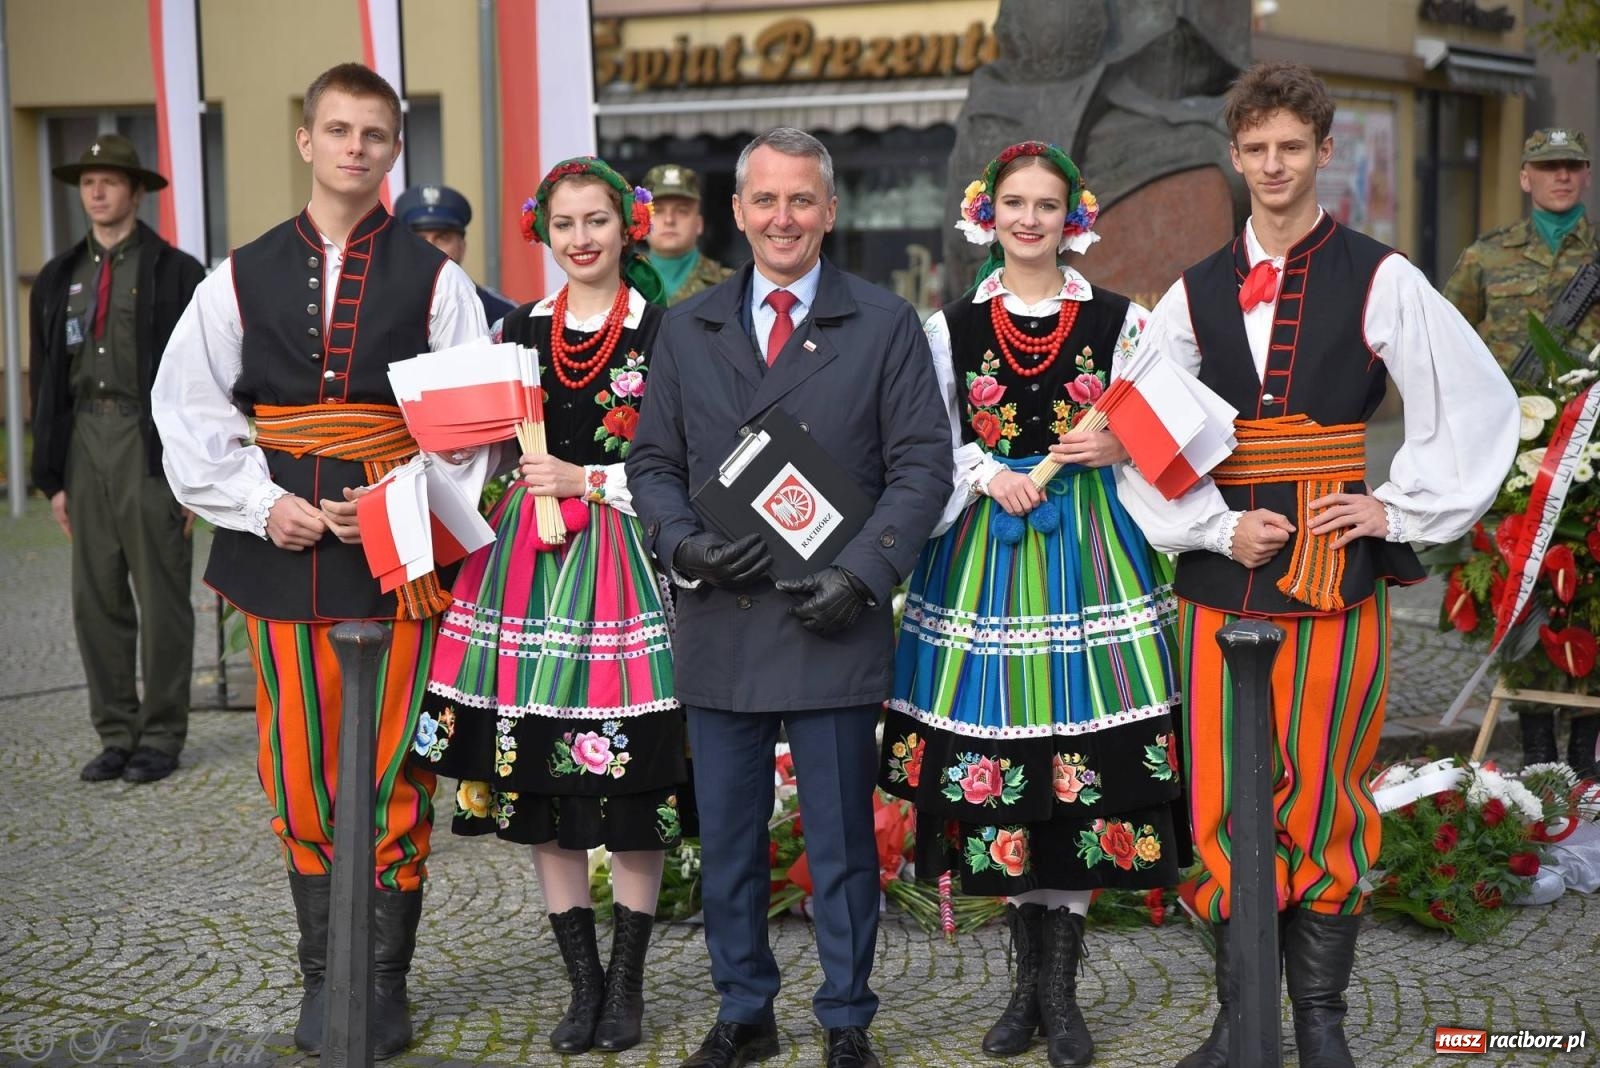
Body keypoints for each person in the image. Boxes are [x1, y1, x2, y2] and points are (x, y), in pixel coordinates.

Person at [1116, 62, 1516, 1068]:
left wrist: (1394, 504)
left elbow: (1474, 402)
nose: (1272, 165)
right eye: (1255, 149)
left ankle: (1323, 1024)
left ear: (1324, 153)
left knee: (1326, 788)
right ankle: (1237, 1020)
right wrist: (1214, 530)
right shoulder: (1191, 293)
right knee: (1218, 791)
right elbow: (1143, 435)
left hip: (1337, 566)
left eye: (1291, 147)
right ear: (1234, 154)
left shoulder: (1382, 276)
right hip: (1222, 576)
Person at [151, 63, 488, 1059]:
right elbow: (188, 410)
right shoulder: (239, 275)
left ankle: (381, 986)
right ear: (306, 140)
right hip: (279, 556)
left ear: (393, 150)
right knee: (297, 771)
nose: (354, 147)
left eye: (373, 134)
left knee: (389, 772)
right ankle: (322, 979)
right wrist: (262, 506)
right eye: (337, 130)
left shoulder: (437, 281)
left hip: (398, 558)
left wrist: (393, 504)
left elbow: (469, 436)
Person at [626, 127, 952, 1068]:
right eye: (765, 199)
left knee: (843, 845)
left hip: (831, 620)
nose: (783, 218)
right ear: (738, 211)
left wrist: (864, 574)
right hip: (722, 621)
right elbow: (652, 463)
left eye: (801, 199)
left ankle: (847, 1018)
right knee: (729, 843)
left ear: (831, 211)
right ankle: (745, 1012)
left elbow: (922, 467)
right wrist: (682, 544)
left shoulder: (883, 323)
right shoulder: (688, 325)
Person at [879, 141, 1190, 1068]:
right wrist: (983, 471)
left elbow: (1171, 423)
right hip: (987, 558)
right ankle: (1027, 989)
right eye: (1014, 203)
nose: (1029, 219)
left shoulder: (1123, 322)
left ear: (1072, 218)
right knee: (1011, 765)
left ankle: (1060, 991)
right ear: (988, 213)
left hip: (1092, 557)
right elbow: (922, 437)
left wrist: (1118, 446)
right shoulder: (950, 327)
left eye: (1046, 205)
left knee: (1081, 764)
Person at [415, 156, 682, 1056]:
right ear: (543, 230)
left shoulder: (666, 333)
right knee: (540, 775)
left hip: (627, 561)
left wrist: (588, 479)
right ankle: (584, 985)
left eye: (596, 221)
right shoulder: (516, 331)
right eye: (564, 224)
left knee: (635, 781)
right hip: (526, 565)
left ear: (627, 225)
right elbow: (481, 452)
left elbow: (686, 463)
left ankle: (629, 986)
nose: (580, 239)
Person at [29, 134, 205, 785]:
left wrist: (195, 475)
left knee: (162, 598)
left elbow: (201, 378)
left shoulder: (176, 272)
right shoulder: (58, 276)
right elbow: (44, 377)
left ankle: (160, 735)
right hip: (85, 441)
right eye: (87, 182)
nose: (97, 192)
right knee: (95, 598)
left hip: (149, 443)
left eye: (109, 181)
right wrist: (52, 478)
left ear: (136, 192)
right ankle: (115, 732)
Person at [1442, 127, 1599, 771]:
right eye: (1548, 166)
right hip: (1513, 461)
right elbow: (1445, 342)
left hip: (1594, 464)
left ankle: (1585, 749)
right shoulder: (1486, 256)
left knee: (1589, 595)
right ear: (1525, 177)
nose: (1561, 176)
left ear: (1585, 175)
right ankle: (1534, 740)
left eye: (1572, 166)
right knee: (1521, 589)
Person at [395, 181, 517, 326]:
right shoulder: (381, 310)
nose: (430, 248)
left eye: (442, 238)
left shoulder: (504, 315)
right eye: (419, 239)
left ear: (462, 248)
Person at [640, 163, 733, 305]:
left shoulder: (730, 285)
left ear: (699, 224)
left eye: (682, 211)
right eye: (657, 211)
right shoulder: (622, 282)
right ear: (642, 222)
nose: (669, 220)